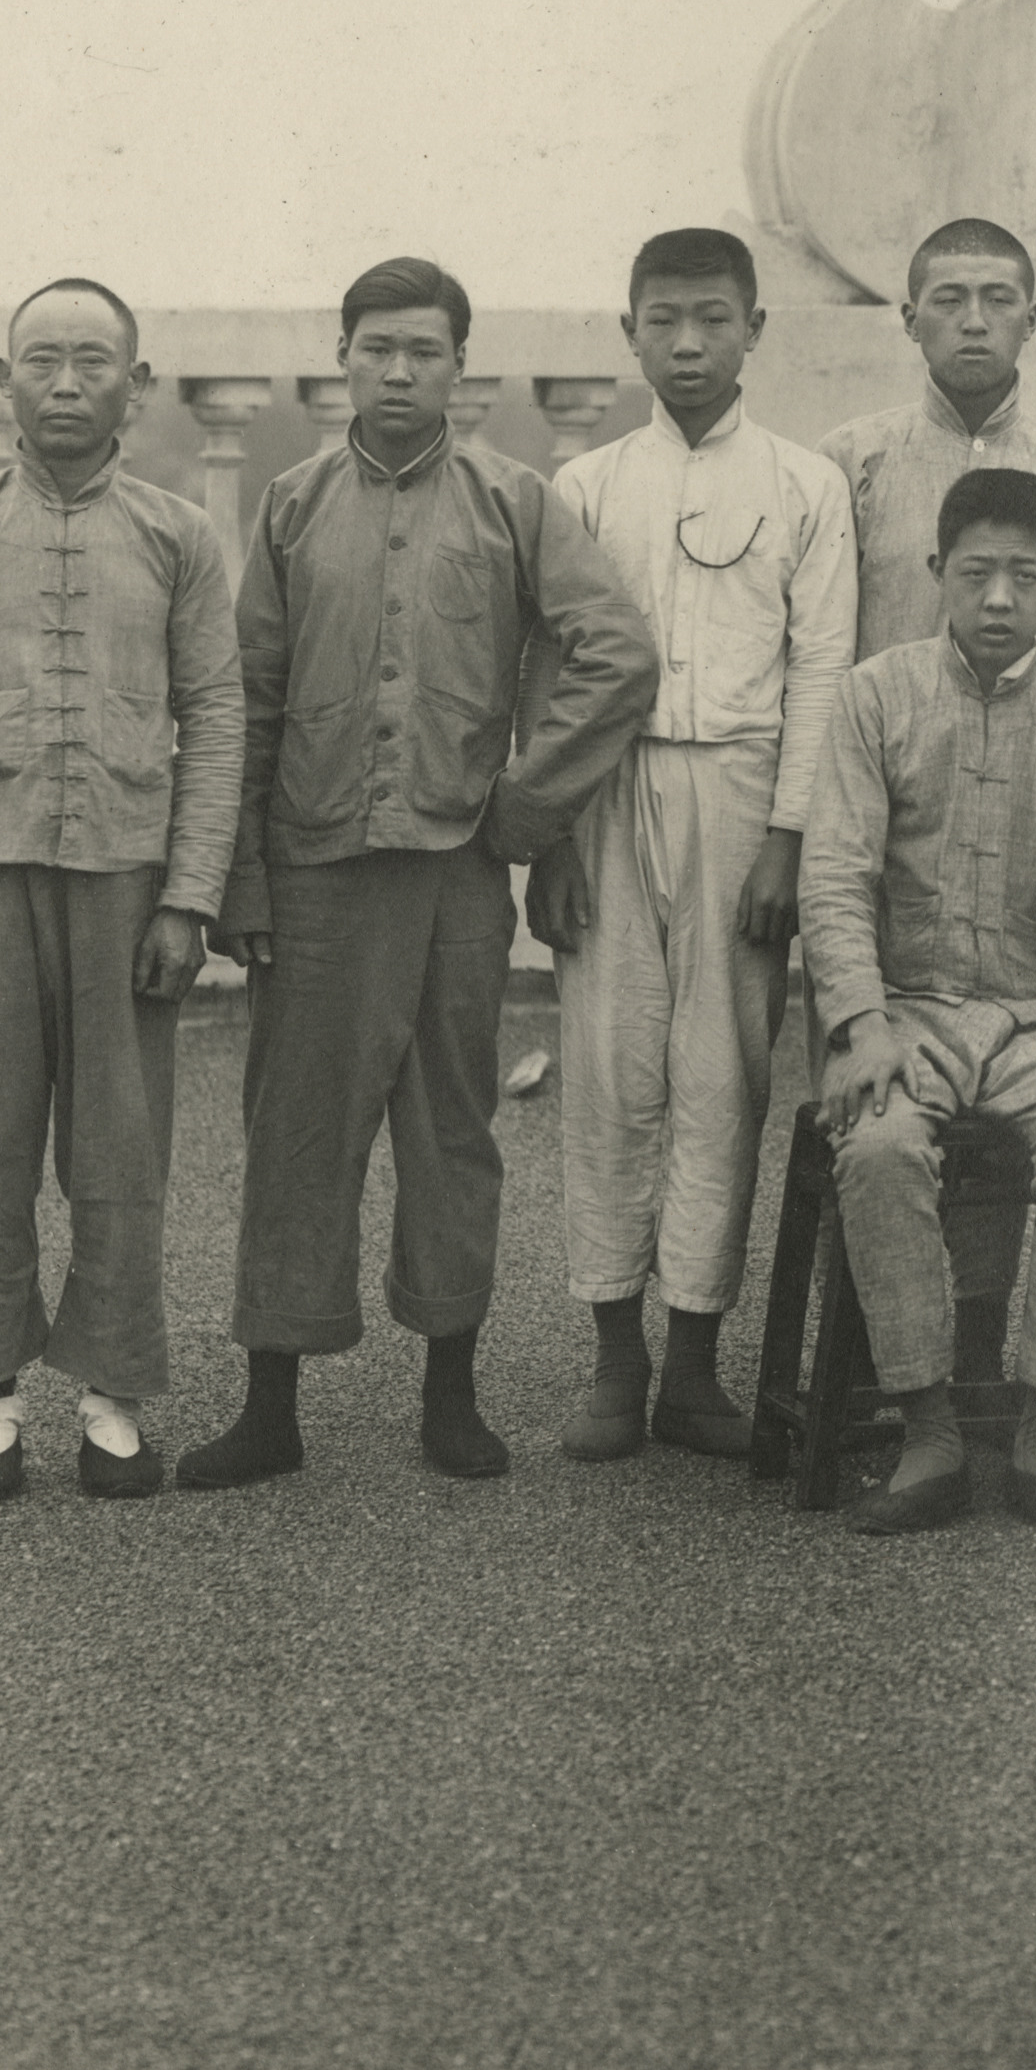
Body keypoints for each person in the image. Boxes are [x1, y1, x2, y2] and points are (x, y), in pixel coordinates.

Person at [185, 257, 658, 1492]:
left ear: (462, 368)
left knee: (452, 1132)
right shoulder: (290, 506)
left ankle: (452, 1395)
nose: (401, 372)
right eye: (378, 348)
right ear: (341, 356)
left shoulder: (516, 502)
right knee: (296, 1133)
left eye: (427, 352)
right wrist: (241, 882)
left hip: (456, 880)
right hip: (315, 878)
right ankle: (269, 1403)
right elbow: (252, 698)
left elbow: (614, 655)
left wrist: (522, 806)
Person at [0, 278, 244, 1503]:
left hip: (131, 887)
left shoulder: (178, 535)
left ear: (138, 384)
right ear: (5, 378)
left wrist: (189, 896)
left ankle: (112, 1395)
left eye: (95, 362)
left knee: (122, 1146)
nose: (67, 384)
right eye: (43, 361)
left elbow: (218, 720)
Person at [538, 227, 854, 1466]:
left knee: (725, 1077)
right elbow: (553, 664)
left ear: (754, 330)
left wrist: (787, 836)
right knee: (614, 1070)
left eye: (713, 319)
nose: (688, 344)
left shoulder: (804, 484)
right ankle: (615, 1363)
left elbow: (819, 663)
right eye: (663, 320)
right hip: (607, 790)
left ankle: (696, 1368)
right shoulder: (586, 486)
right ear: (628, 332)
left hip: (740, 791)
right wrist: (551, 828)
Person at [797, 467, 1036, 1536]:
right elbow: (835, 876)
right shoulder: (875, 693)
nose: (999, 600)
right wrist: (856, 1025)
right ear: (935, 572)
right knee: (879, 1142)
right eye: (977, 573)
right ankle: (929, 1426)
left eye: (1024, 577)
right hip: (907, 1010)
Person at [826, 218, 1036, 660]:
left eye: (1000, 301)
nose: (975, 323)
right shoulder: (852, 460)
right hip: (886, 727)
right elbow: (823, 641)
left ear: (1031, 319)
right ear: (911, 320)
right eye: (948, 301)